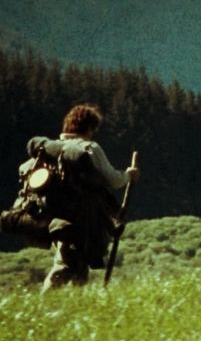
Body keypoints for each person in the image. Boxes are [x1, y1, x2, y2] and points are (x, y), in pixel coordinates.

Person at [2, 103, 139, 290]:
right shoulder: (88, 148)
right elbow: (112, 180)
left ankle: (76, 304)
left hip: (50, 217)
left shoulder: (50, 150)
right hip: (79, 219)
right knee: (65, 265)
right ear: (89, 128)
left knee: (76, 265)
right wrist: (128, 175)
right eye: (93, 129)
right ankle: (47, 303)